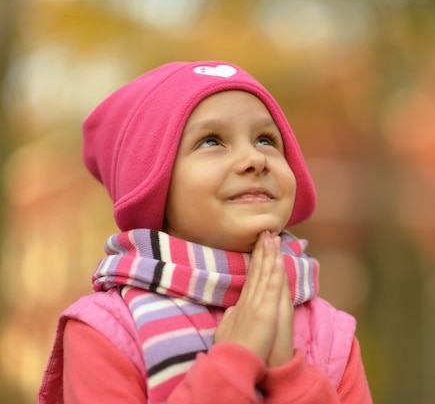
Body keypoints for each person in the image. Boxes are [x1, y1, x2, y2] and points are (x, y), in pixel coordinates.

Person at [38, 61, 372, 404]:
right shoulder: (107, 331)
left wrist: (287, 373)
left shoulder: (333, 335)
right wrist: (233, 363)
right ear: (154, 187)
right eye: (211, 141)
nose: (254, 158)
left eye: (265, 139)